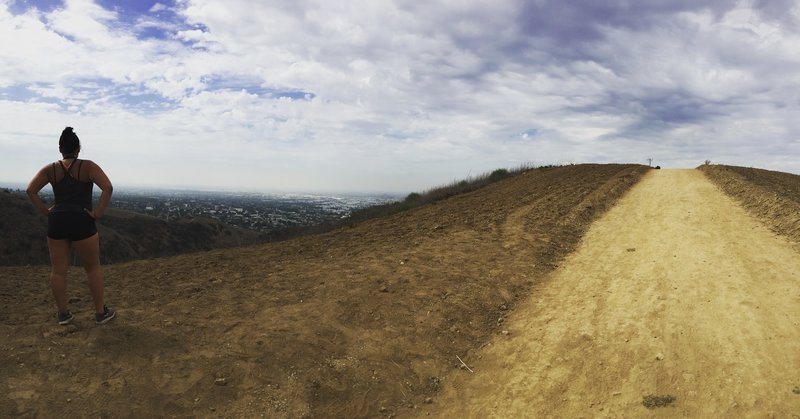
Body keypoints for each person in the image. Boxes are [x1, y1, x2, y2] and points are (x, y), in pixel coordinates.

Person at [26, 127, 116, 325]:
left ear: (60, 148)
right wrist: (97, 214)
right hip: (82, 220)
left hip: (57, 220)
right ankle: (101, 313)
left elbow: (30, 190)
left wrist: (46, 211)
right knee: (92, 269)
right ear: (78, 148)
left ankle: (63, 315)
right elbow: (107, 187)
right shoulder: (88, 166)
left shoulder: (50, 169)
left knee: (58, 271)